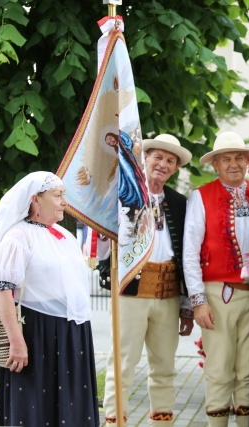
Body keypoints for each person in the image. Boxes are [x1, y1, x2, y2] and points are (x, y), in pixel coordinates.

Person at [0, 171, 99, 426]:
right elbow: (1, 292)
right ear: (35, 200)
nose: (64, 201)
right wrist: (16, 342)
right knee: (36, 408)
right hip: (36, 333)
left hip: (71, 332)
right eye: (57, 195)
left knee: (72, 407)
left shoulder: (66, 236)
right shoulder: (17, 237)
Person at [103, 134, 194, 426]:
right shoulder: (125, 194)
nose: (163, 164)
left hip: (167, 293)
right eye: (158, 157)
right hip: (131, 288)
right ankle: (114, 421)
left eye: (170, 161)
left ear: (175, 168)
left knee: (165, 366)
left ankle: (162, 423)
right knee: (122, 363)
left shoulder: (179, 202)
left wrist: (186, 304)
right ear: (145, 158)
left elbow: (185, 254)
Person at [183, 131, 249, 427]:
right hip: (218, 294)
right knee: (219, 370)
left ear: (247, 162)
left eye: (238, 157)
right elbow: (190, 252)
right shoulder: (201, 196)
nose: (233, 164)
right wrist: (198, 301)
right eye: (226, 159)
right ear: (215, 164)